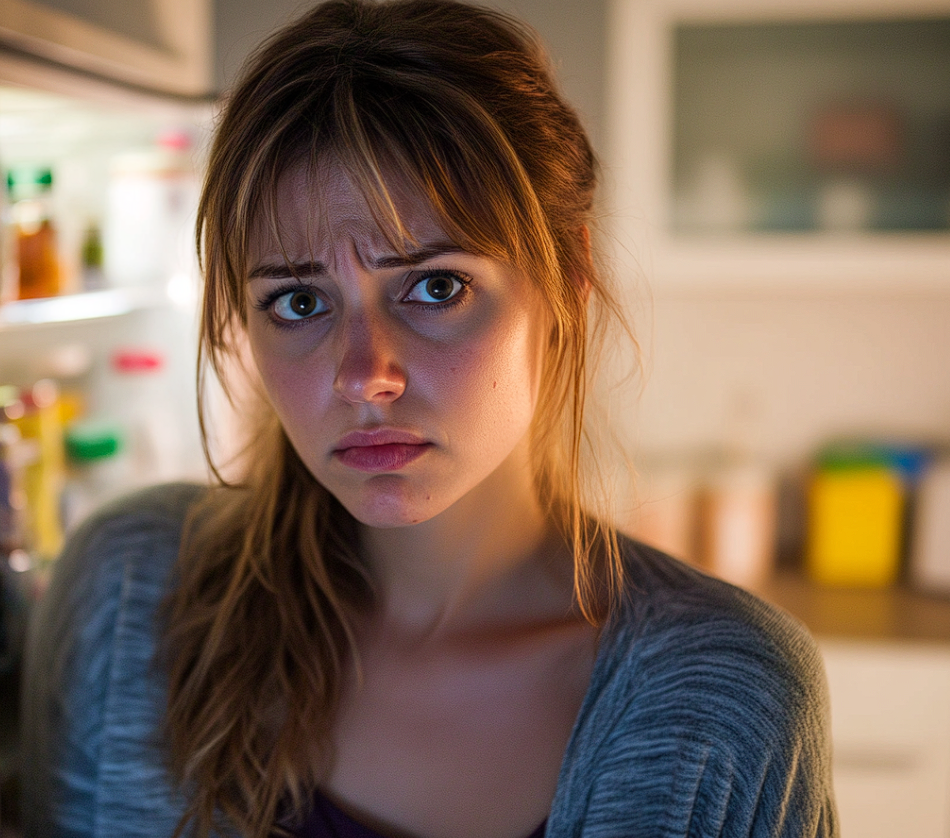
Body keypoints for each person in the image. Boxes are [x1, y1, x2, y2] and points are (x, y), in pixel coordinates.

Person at [20, 0, 838, 836]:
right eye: (300, 301)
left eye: (436, 286)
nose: (363, 376)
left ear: (567, 280)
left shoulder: (724, 697)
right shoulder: (129, 598)